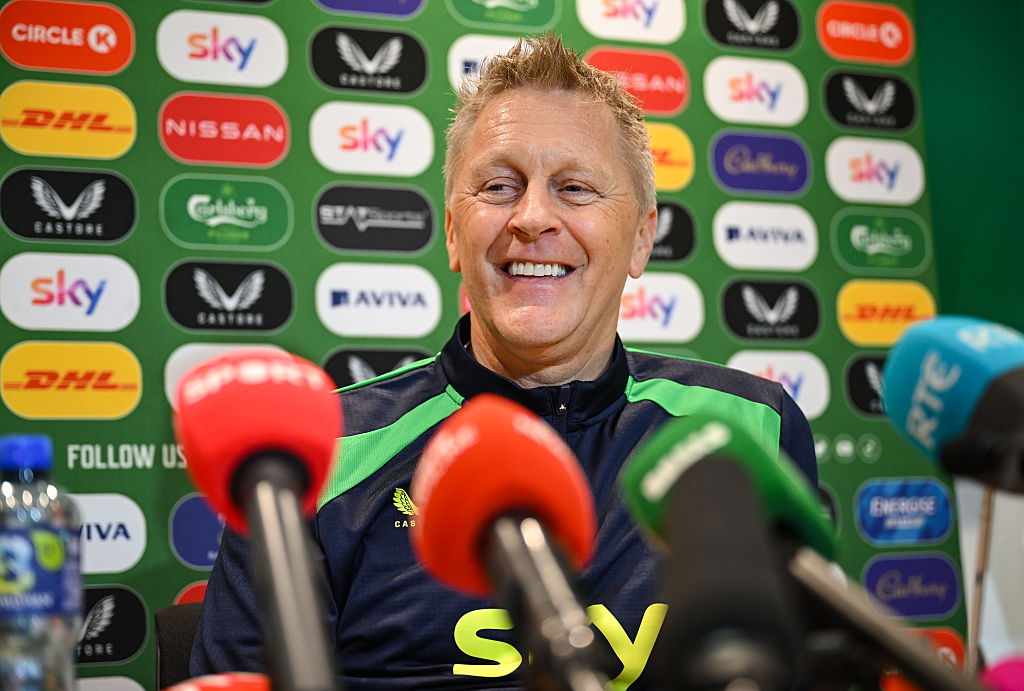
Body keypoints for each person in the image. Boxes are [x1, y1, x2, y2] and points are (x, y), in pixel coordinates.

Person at [191, 33, 817, 690]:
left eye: (575, 187)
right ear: (454, 234)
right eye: (498, 186)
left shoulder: (751, 429)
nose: (532, 217)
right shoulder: (316, 457)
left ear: (641, 238)